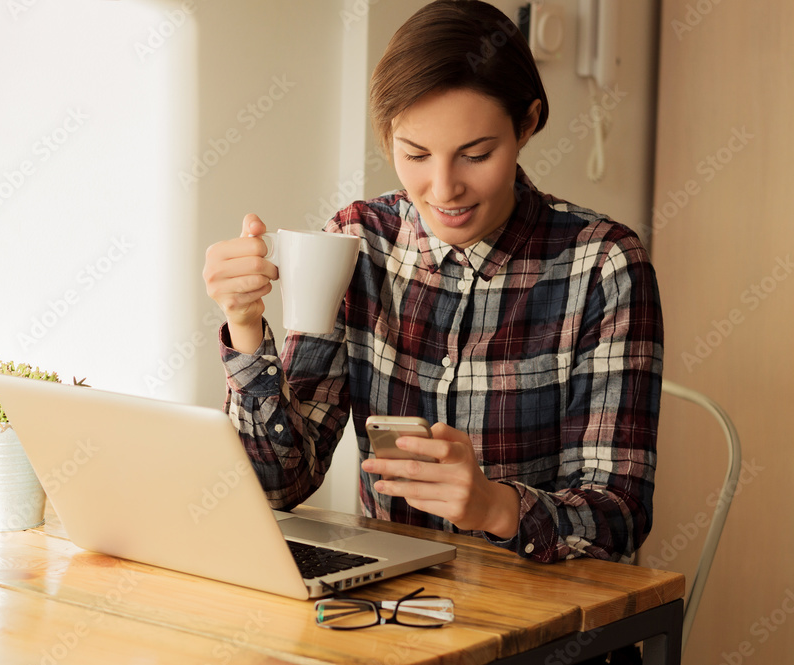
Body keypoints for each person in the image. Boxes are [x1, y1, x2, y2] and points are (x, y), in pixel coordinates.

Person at [202, 0, 662, 567]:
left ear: (527, 124)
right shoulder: (360, 241)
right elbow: (279, 486)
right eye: (416, 154)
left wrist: (495, 507)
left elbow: (620, 515)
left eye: (476, 155)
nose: (443, 189)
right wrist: (246, 328)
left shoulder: (604, 264)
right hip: (393, 606)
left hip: (543, 622)